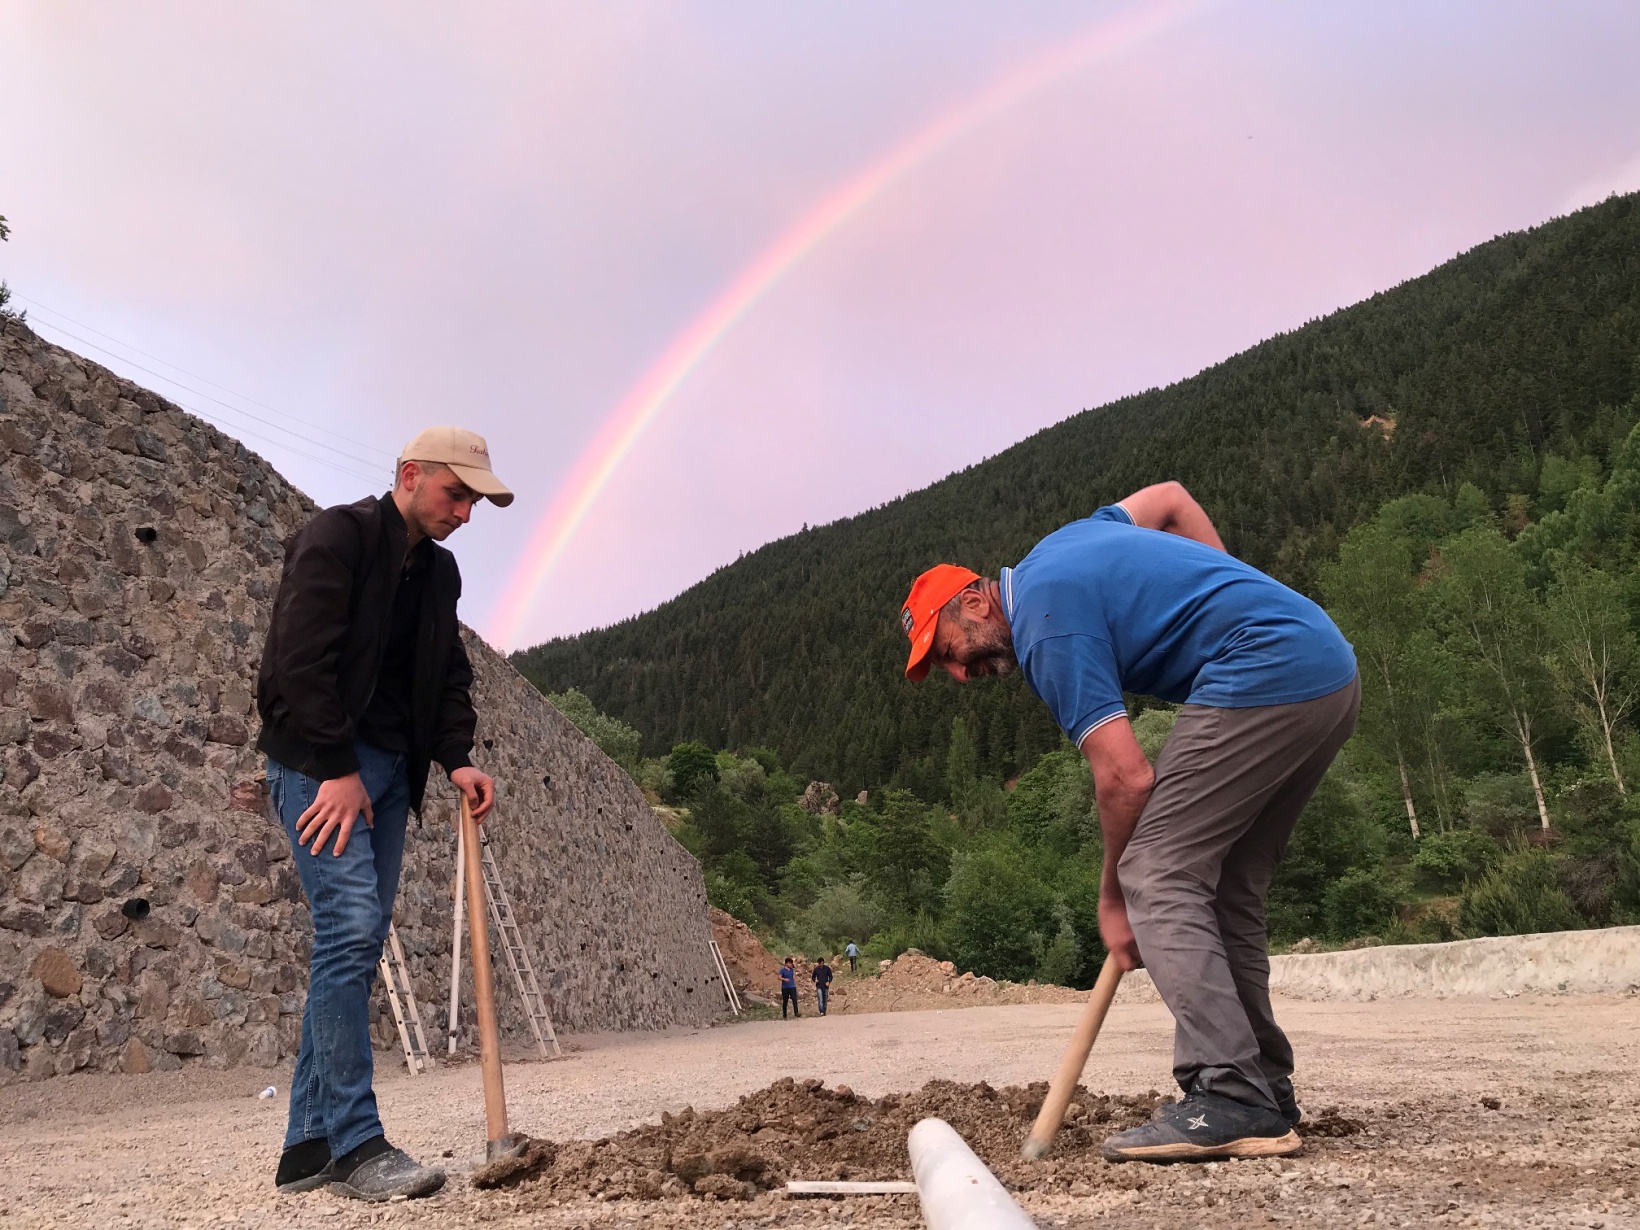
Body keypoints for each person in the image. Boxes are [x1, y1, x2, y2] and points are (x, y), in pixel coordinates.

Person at [900, 481, 1358, 1164]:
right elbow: (1171, 500)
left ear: (974, 602)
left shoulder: (1046, 629)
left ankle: (1230, 1096)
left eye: (946, 651)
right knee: (1226, 885)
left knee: (1158, 871)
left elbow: (1125, 778)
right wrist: (1235, 584)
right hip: (1323, 666)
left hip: (1264, 670)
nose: (959, 675)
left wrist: (1114, 894)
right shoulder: (1065, 544)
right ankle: (1261, 1090)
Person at [257, 427, 514, 1200]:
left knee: (355, 945)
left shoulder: (439, 575)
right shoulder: (336, 539)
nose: (466, 512)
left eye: (475, 500)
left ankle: (307, 1143)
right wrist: (335, 768)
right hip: (318, 765)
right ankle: (357, 1145)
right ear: (410, 475)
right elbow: (297, 662)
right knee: (350, 930)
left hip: (391, 778)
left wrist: (457, 755)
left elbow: (446, 679)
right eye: (456, 493)